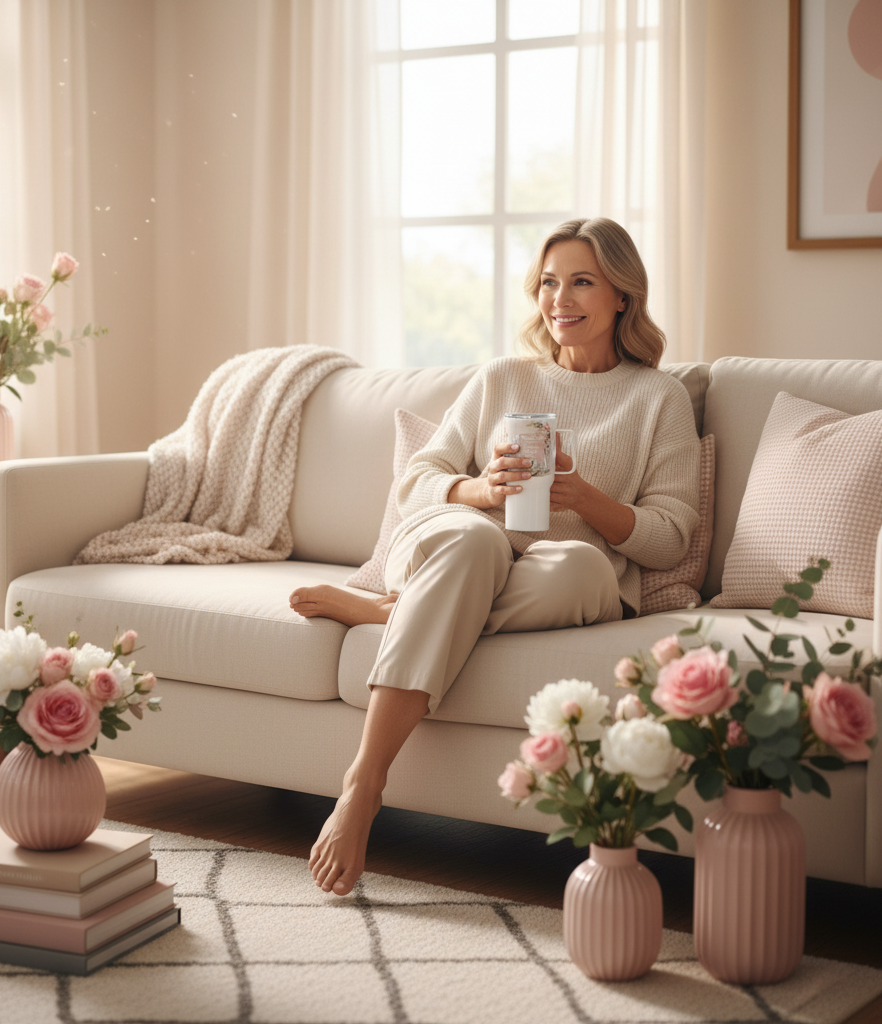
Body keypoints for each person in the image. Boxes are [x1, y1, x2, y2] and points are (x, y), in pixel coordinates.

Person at [289, 217, 700, 896]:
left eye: (581, 282)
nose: (558, 298)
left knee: (581, 564)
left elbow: (671, 535)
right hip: (460, 542)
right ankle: (363, 784)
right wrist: (480, 488)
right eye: (547, 282)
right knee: (476, 539)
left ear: (622, 296)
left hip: (563, 572)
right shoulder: (503, 377)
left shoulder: (658, 398)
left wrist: (586, 499)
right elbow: (417, 480)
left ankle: (396, 612)